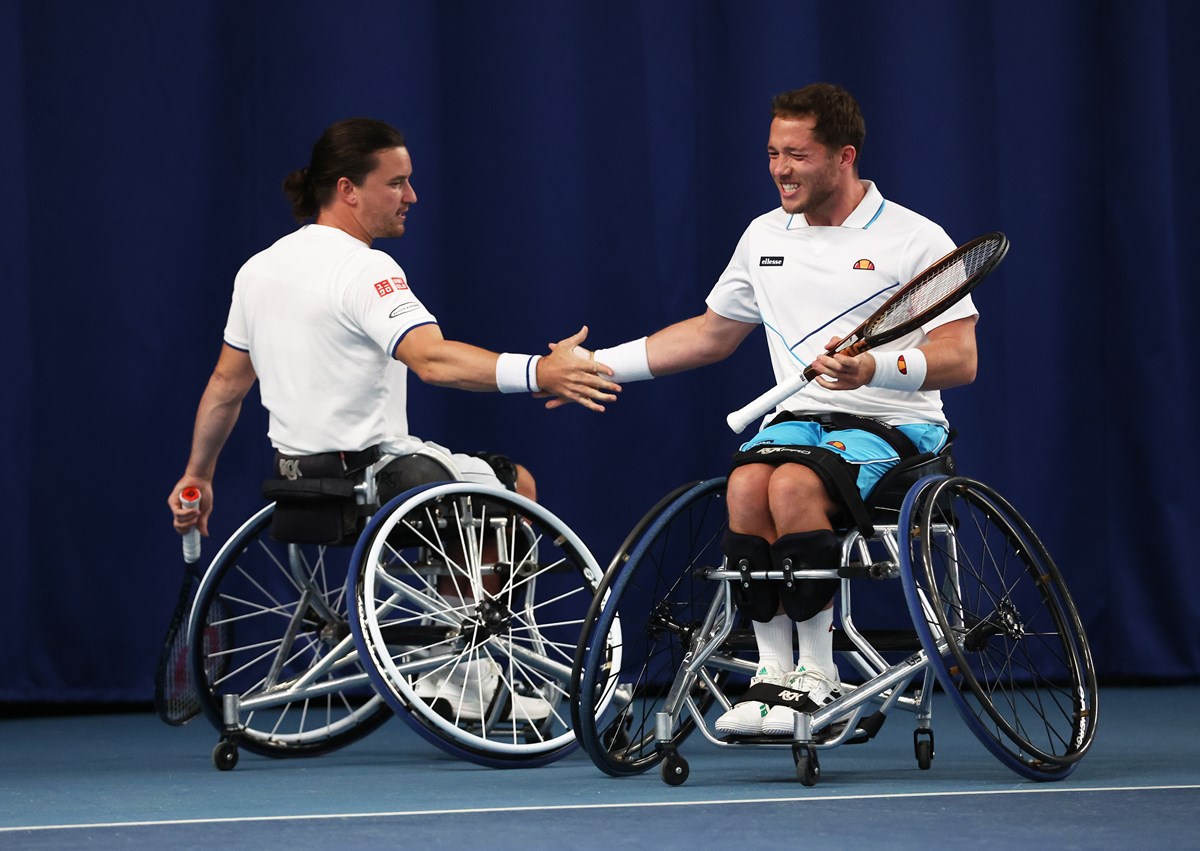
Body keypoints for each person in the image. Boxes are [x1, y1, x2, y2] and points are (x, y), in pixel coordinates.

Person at [167, 118, 619, 714]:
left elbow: (227, 385)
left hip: (298, 485)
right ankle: (465, 672)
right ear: (348, 189)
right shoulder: (366, 270)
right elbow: (431, 360)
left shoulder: (259, 268)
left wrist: (196, 474)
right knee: (516, 488)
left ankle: (450, 664)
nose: (412, 197)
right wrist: (542, 370)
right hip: (376, 480)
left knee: (459, 485)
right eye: (397, 183)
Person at [583, 83, 978, 736]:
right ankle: (773, 675)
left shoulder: (915, 239)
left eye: (797, 154)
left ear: (843, 156)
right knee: (745, 486)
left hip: (900, 428)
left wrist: (871, 367)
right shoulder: (764, 236)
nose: (780, 169)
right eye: (772, 153)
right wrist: (600, 365)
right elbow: (710, 335)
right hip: (801, 424)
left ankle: (818, 675)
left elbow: (961, 358)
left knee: (793, 484)